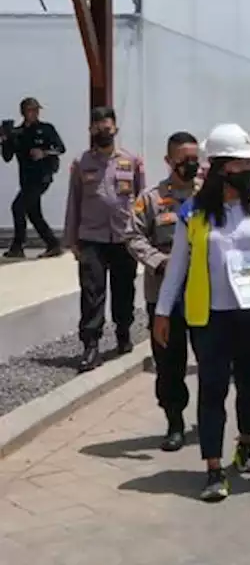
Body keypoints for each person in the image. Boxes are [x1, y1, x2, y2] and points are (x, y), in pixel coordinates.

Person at [151, 123, 250, 502]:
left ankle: (245, 441)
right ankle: (213, 467)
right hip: (208, 316)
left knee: (249, 384)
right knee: (212, 388)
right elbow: (177, 266)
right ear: (224, 167)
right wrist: (162, 313)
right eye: (245, 164)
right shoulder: (192, 213)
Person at [125, 131, 200, 452]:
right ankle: (174, 421)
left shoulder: (209, 195)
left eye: (195, 159)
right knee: (169, 363)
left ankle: (211, 420)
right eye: (184, 160)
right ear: (169, 161)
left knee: (212, 361)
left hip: (203, 294)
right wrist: (159, 262)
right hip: (164, 295)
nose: (191, 166)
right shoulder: (151, 198)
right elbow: (133, 236)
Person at [65, 106, 145, 372]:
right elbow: (74, 202)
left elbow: (142, 201)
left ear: (116, 130)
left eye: (107, 128)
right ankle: (90, 345)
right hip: (91, 238)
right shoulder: (81, 163)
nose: (103, 132)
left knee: (124, 290)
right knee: (92, 293)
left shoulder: (132, 161)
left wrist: (143, 237)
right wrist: (72, 239)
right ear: (91, 131)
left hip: (124, 237)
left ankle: (123, 332)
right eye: (98, 129)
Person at [2, 96, 65, 258]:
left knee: (18, 207)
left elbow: (60, 148)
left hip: (41, 177)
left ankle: (18, 246)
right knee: (33, 213)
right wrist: (5, 140)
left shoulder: (46, 129)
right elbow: (7, 157)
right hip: (26, 179)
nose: (35, 113)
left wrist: (43, 152)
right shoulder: (17, 133)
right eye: (31, 110)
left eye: (36, 110)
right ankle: (53, 244)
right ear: (24, 112)